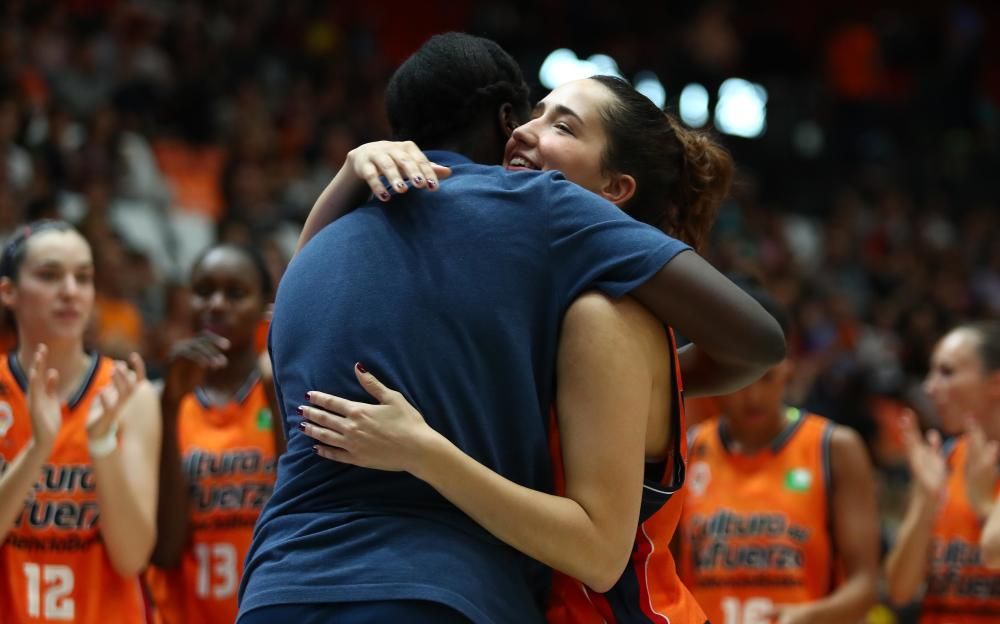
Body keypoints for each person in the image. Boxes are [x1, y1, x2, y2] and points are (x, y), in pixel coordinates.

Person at [239, 33, 784, 624]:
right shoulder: (515, 294)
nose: (526, 131)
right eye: (533, 112)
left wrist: (426, 452)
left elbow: (599, 554)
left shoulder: (606, 312)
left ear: (613, 192)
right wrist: (351, 173)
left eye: (563, 126)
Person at [677, 285, 879, 624]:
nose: (752, 396)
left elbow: (866, 586)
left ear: (790, 368)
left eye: (766, 378)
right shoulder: (688, 449)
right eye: (740, 380)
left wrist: (809, 616)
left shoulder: (834, 448)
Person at [0, 220, 160, 623]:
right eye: (50, 275)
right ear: (8, 292)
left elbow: (132, 557)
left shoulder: (130, 395)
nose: (70, 291)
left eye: (83, 277)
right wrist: (39, 447)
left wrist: (103, 442)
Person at [144, 243, 284, 624]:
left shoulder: (280, 391)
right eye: (204, 291)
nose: (216, 304)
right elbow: (165, 550)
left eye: (236, 294)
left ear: (264, 309)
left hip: (266, 608)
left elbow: (297, 517)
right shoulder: (163, 397)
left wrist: (275, 397)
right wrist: (169, 408)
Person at [885, 321, 1000, 623]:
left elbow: (993, 550)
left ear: (996, 383)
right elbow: (900, 590)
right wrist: (926, 501)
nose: (929, 387)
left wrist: (984, 504)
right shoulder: (944, 458)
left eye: (947, 372)